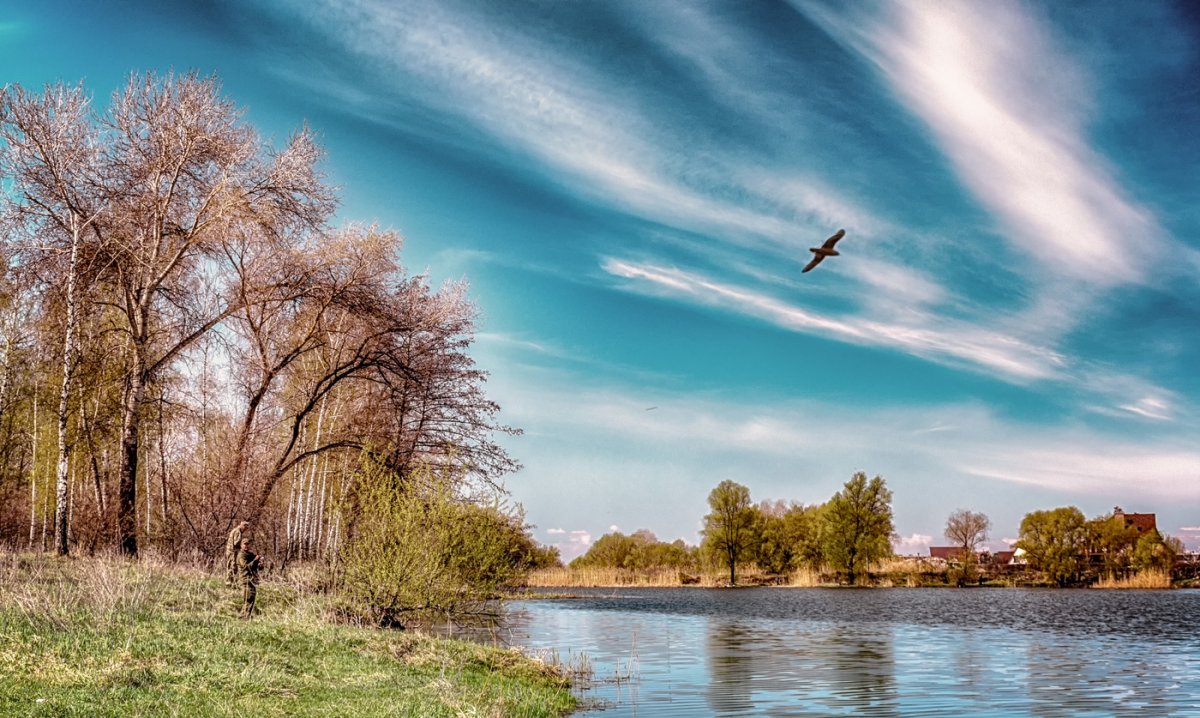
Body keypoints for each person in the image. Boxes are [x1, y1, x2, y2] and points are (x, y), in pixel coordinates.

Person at [237, 536, 262, 619]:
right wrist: (255, 560)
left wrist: (260, 563)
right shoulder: (241, 555)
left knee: (252, 598)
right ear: (241, 545)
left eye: (248, 544)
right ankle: (244, 617)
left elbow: (256, 566)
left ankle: (245, 616)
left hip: (252, 579)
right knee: (248, 598)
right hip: (245, 579)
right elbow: (246, 567)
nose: (246, 546)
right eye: (245, 544)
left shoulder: (250, 554)